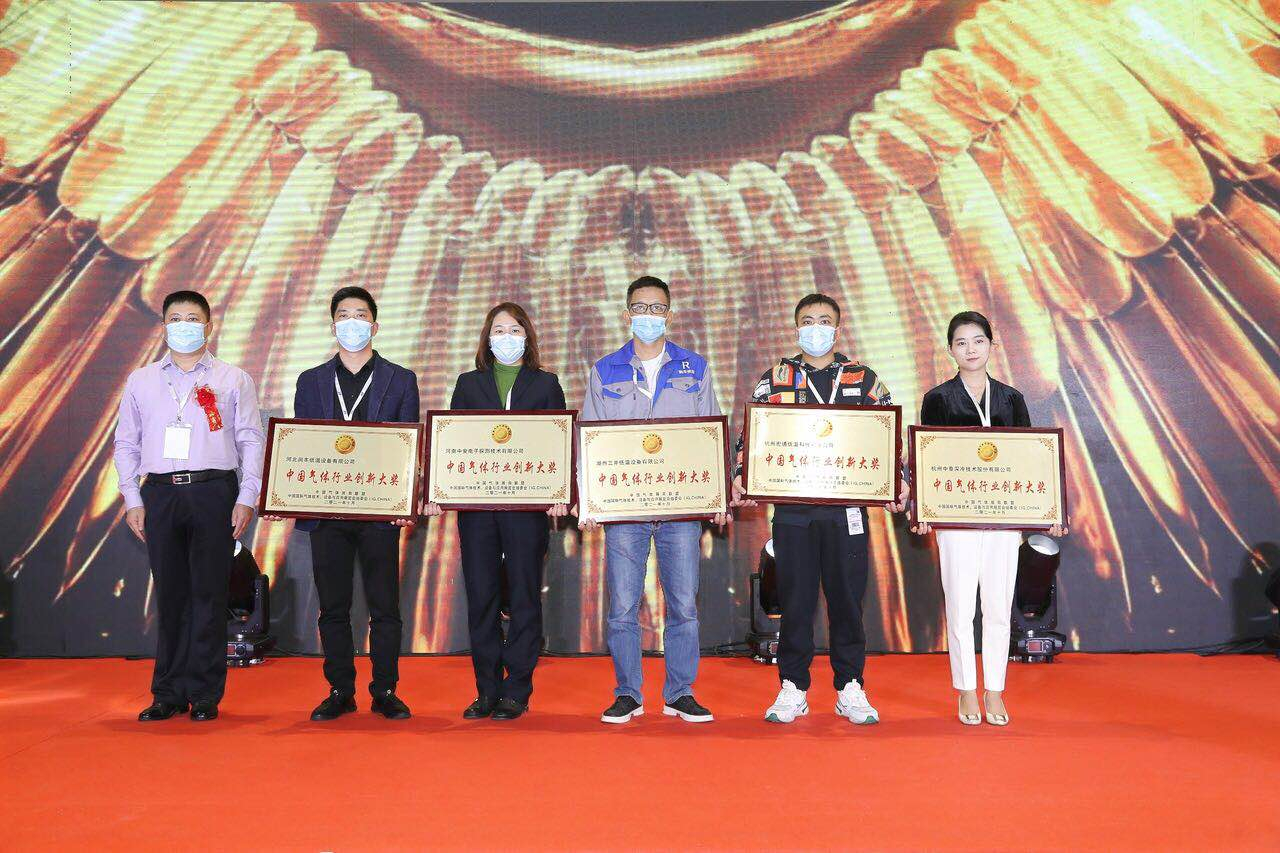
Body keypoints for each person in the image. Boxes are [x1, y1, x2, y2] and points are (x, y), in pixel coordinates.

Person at [731, 293, 909, 725]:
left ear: (837, 328)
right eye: (808, 321)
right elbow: (751, 437)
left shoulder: (864, 380)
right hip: (794, 511)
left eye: (824, 320)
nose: (816, 328)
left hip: (847, 509)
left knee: (847, 600)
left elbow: (888, 438)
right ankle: (793, 686)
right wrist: (742, 474)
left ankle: (850, 686)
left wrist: (897, 479)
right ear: (796, 328)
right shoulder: (775, 379)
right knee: (796, 600)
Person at [578, 275, 728, 725]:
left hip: (680, 507)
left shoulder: (694, 367)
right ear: (627, 314)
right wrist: (589, 499)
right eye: (640, 308)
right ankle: (628, 693)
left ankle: (680, 692)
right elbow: (589, 439)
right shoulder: (604, 370)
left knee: (683, 604)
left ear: (669, 313)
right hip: (624, 508)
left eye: (657, 308)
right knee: (623, 606)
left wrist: (718, 495)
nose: (648, 316)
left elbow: (710, 433)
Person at [114, 290, 264, 722]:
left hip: (214, 490)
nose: (184, 326)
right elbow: (126, 442)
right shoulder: (141, 380)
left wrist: (246, 496)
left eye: (193, 318)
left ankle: (204, 693)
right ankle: (168, 693)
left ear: (209, 326)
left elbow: (250, 440)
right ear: (163, 327)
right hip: (160, 492)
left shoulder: (233, 378)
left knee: (209, 594)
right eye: (176, 319)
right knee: (171, 594)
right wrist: (132, 497)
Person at [912, 310, 1067, 726]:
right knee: (960, 606)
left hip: (1003, 519)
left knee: (998, 606)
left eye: (978, 341)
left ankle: (994, 689)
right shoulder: (938, 399)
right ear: (950, 350)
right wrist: (925, 511)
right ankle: (966, 689)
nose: (970, 349)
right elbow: (929, 458)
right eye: (961, 343)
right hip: (956, 521)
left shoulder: (1012, 399)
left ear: (992, 345)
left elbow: (1031, 458)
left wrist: (1048, 511)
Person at [425, 302, 567, 721]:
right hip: (477, 508)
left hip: (526, 509)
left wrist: (560, 490)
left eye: (515, 329)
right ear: (487, 338)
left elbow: (559, 441)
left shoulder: (546, 384)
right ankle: (486, 690)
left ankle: (517, 690)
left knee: (524, 596)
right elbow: (451, 441)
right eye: (499, 330)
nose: (507, 337)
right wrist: (438, 487)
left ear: (528, 336)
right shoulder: (468, 384)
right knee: (482, 595)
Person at [286, 286, 420, 722]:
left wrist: (404, 497)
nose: (352, 323)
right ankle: (340, 689)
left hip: (379, 509)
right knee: (333, 607)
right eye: (343, 315)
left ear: (374, 326)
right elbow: (301, 445)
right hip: (327, 511)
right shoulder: (310, 381)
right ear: (333, 326)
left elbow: (408, 446)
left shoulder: (401, 380)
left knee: (385, 607)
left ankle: (385, 690)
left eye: (360, 315)